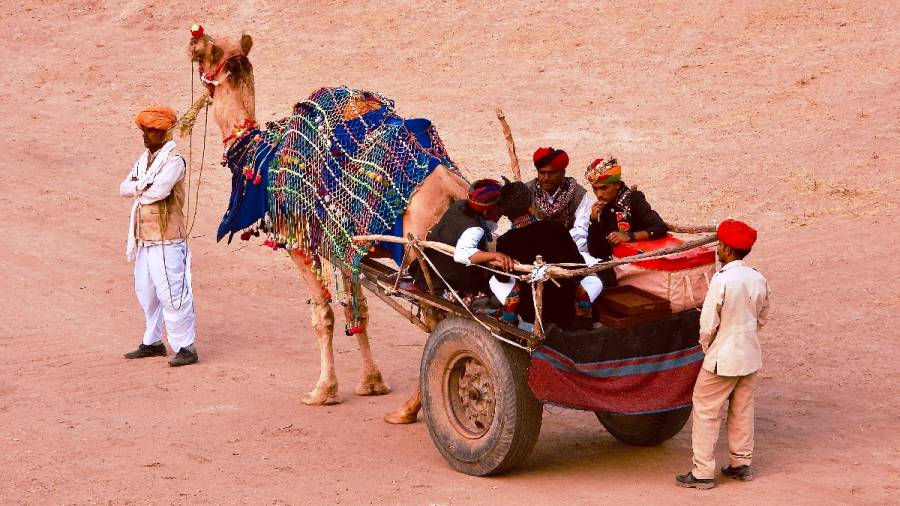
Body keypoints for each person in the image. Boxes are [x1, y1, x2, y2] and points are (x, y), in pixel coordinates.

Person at [676, 219, 770, 490]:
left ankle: (703, 472)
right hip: (750, 354)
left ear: (727, 250)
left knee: (706, 409)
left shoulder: (722, 279)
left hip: (723, 356)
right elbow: (763, 315)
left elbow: (707, 325)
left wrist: (708, 347)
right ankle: (741, 465)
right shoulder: (758, 277)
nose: (718, 249)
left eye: (719, 245)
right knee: (742, 408)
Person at [120, 105, 199, 367]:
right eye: (144, 130)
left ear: (164, 133)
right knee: (146, 291)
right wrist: (142, 186)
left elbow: (159, 192)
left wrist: (139, 187)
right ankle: (153, 342)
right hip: (145, 238)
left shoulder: (174, 161)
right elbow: (124, 188)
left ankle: (185, 346)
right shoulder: (144, 160)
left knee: (172, 293)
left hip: (167, 239)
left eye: (151, 131)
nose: (146, 135)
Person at [489, 181, 604, 328]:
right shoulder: (556, 228)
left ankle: (514, 316)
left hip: (531, 312)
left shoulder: (505, 241)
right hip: (565, 309)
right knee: (594, 281)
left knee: (494, 280)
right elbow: (578, 266)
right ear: (530, 206)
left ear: (506, 213)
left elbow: (502, 278)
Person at [573, 157, 667, 286]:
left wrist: (629, 236)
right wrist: (593, 221)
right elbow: (596, 251)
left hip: (636, 263)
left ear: (617, 184)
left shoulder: (634, 200)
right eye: (595, 189)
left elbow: (659, 227)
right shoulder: (602, 207)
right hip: (612, 263)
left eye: (603, 188)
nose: (599, 194)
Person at [414, 179, 515, 297]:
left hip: (430, 270)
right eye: (499, 211)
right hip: (443, 282)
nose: (500, 215)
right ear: (487, 212)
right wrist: (496, 255)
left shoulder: (460, 205)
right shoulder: (475, 229)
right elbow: (462, 255)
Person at [526, 147, 590, 231]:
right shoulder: (527, 191)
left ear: (563, 173)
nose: (546, 177)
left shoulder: (577, 194)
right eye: (542, 172)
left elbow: (581, 229)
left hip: (569, 242)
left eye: (552, 173)